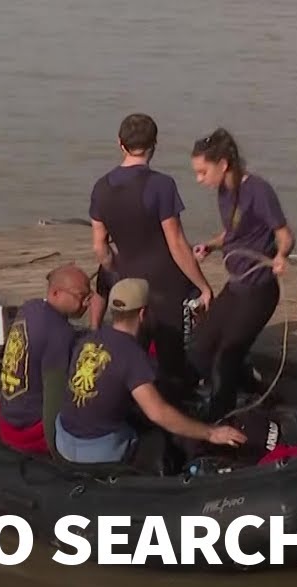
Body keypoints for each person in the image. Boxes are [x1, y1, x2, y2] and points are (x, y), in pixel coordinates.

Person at [89, 113, 215, 402]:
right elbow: (177, 243)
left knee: (129, 353)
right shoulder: (161, 185)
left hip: (127, 283)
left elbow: (100, 248)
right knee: (172, 363)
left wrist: (116, 271)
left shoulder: (101, 188)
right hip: (166, 285)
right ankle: (175, 422)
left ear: (120, 144)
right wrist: (204, 286)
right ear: (154, 145)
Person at [55, 278, 246, 464]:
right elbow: (158, 413)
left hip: (63, 439)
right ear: (143, 313)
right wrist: (211, 433)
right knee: (162, 438)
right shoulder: (132, 354)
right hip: (96, 450)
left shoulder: (89, 339)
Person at [189, 128, 295, 421]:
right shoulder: (224, 191)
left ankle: (219, 423)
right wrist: (210, 245)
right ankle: (255, 391)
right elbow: (233, 232)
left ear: (223, 164)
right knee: (200, 346)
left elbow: (285, 235)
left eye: (202, 172)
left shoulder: (258, 190)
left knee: (226, 357)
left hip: (259, 290)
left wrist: (281, 256)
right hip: (236, 287)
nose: (199, 180)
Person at [0, 264, 96, 455]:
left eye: (90, 296)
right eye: (82, 296)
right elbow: (54, 402)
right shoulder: (59, 334)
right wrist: (59, 453)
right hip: (29, 431)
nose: (87, 303)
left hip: (7, 419)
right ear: (56, 293)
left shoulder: (29, 309)